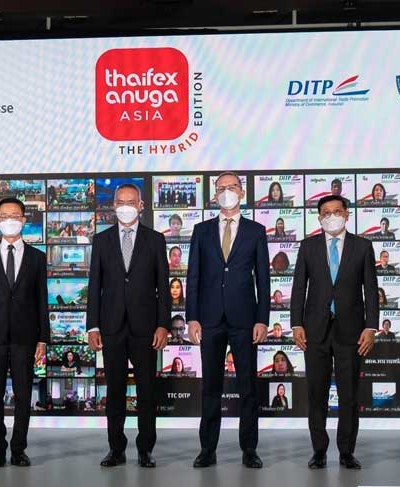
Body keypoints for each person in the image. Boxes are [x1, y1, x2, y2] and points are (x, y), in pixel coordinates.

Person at [187, 171, 270, 469]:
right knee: (211, 387)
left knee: (248, 387)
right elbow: (193, 276)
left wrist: (262, 319)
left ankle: (249, 449)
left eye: (232, 186)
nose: (226, 191)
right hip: (209, 319)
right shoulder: (201, 230)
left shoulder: (256, 231)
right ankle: (207, 449)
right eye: (221, 188)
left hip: (244, 319)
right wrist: (192, 318)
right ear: (214, 195)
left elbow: (263, 279)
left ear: (242, 192)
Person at [291, 194, 378, 470]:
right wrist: (296, 324)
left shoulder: (362, 246)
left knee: (349, 394)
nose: (332, 216)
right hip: (314, 330)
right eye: (326, 212)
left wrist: (371, 327)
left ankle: (346, 452)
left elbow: (371, 290)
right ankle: (319, 450)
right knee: (316, 394)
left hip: (351, 331)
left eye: (337, 211)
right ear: (319, 218)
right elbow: (298, 288)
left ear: (347, 214)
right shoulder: (308, 247)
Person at [87, 183, 170, 468]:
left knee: (146, 391)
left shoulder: (155, 240)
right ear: (113, 206)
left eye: (131, 202)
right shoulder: (101, 240)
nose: (125, 206)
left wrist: (163, 325)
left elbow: (163, 286)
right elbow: (95, 285)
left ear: (141, 206)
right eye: (120, 202)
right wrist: (92, 326)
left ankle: (145, 449)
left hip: (146, 328)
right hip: (111, 327)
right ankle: (116, 449)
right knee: (115, 392)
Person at [0, 197, 49, 468]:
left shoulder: (37, 257)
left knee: (23, 396)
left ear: (24, 220)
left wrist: (43, 339)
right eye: (4, 216)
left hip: (25, 338)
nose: (10, 220)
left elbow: (42, 300)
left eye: (15, 215)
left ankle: (19, 449)